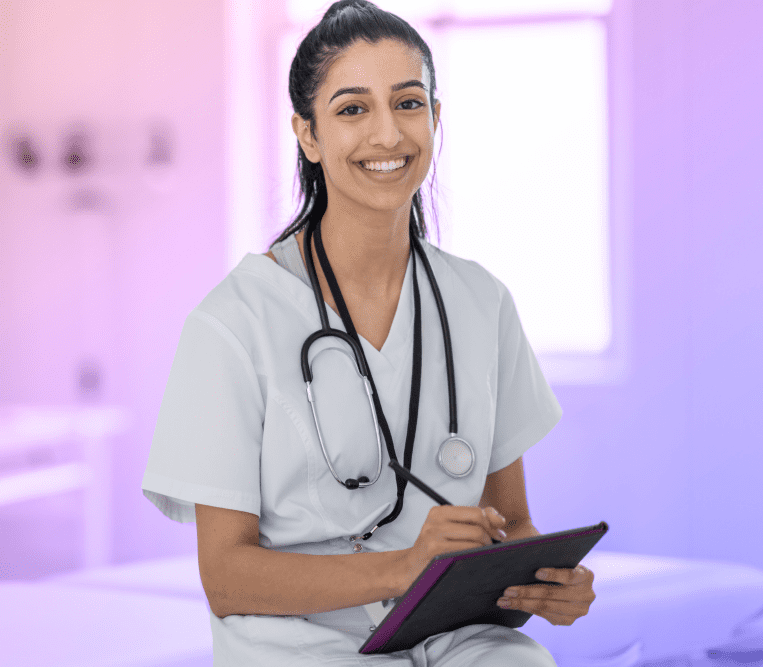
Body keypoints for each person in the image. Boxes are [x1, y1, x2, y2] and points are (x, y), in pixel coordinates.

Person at [142, 1, 596, 664]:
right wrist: (403, 566)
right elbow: (226, 576)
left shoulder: (480, 302)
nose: (388, 134)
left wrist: (548, 582)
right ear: (308, 135)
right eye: (353, 109)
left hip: (452, 631)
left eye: (408, 103)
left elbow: (511, 520)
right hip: (299, 641)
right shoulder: (234, 323)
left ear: (436, 120)